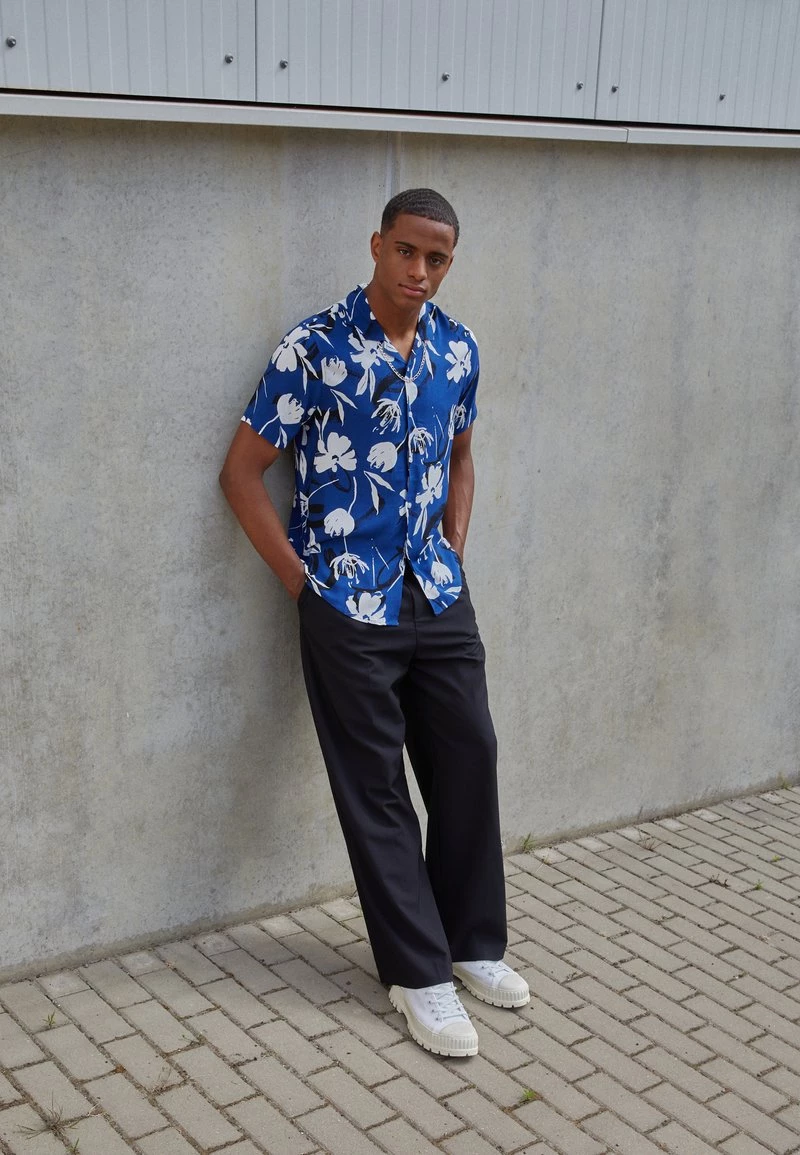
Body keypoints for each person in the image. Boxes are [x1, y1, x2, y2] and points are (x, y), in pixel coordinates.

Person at [219, 188, 529, 1057]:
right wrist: (303, 586)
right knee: (377, 789)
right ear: (377, 245)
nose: (419, 270)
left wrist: (453, 549)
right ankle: (417, 974)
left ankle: (470, 943)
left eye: (437, 258)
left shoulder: (458, 349)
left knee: (470, 756)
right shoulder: (313, 348)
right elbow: (241, 473)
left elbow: (462, 454)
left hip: (436, 591)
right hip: (345, 601)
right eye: (406, 251)